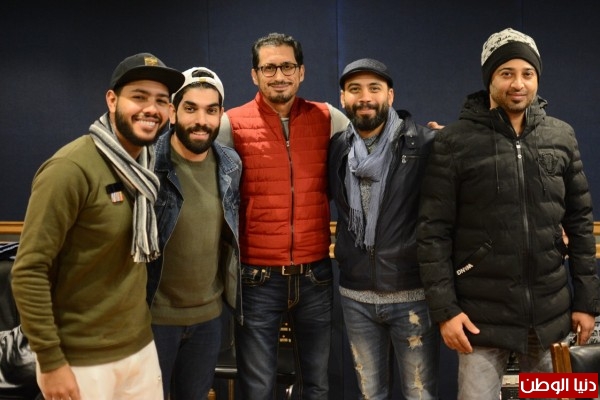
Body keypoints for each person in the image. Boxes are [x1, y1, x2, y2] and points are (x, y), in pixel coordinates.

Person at [417, 27, 600, 400]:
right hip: (479, 323)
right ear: (489, 78)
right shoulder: (454, 142)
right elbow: (433, 233)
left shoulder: (562, 136)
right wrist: (446, 311)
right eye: (506, 73)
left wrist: (586, 303)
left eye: (527, 73)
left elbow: (580, 225)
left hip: (550, 319)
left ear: (537, 78)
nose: (518, 84)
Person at [11, 53, 184, 400]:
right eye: (139, 96)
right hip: (81, 358)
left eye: (161, 101)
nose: (151, 109)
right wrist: (50, 360)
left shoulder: (146, 170)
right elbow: (29, 271)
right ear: (112, 100)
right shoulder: (70, 168)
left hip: (139, 347)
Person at [220, 32, 349, 399]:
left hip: (315, 275)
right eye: (269, 68)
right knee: (258, 388)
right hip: (257, 278)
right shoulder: (231, 123)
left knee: (316, 386)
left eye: (287, 67)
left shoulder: (328, 118)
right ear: (254, 75)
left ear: (301, 71)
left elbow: (373, 144)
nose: (279, 76)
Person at [329, 58, 439, 400]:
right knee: (370, 395)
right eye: (355, 89)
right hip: (356, 297)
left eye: (374, 88)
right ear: (343, 98)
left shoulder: (424, 144)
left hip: (412, 296)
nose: (365, 97)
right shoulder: (337, 147)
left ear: (390, 96)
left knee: (420, 395)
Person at [146, 66, 241, 399]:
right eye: (191, 108)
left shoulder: (231, 164)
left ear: (221, 114)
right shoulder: (147, 163)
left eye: (211, 110)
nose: (202, 120)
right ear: (173, 112)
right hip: (153, 318)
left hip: (209, 319)